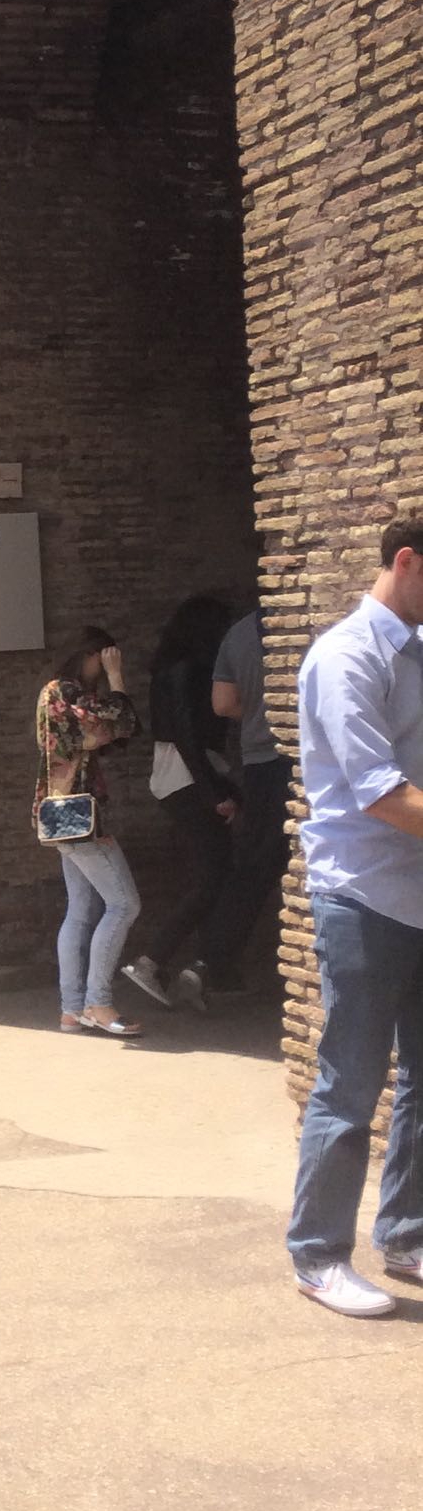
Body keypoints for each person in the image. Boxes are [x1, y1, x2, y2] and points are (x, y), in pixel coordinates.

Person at [294, 510, 423, 1318]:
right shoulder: (346, 657)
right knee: (352, 1081)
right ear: (408, 562)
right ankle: (317, 1255)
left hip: (418, 891)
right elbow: (377, 792)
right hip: (364, 894)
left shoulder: (418, 654)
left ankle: (406, 1234)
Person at [49, 630, 150, 1037]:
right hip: (78, 813)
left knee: (80, 909)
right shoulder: (67, 693)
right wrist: (117, 677)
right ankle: (98, 1002)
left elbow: (113, 732)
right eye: (103, 658)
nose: (106, 665)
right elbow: (124, 722)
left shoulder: (55, 693)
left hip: (58, 811)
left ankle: (72, 1009)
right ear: (89, 655)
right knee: (125, 905)